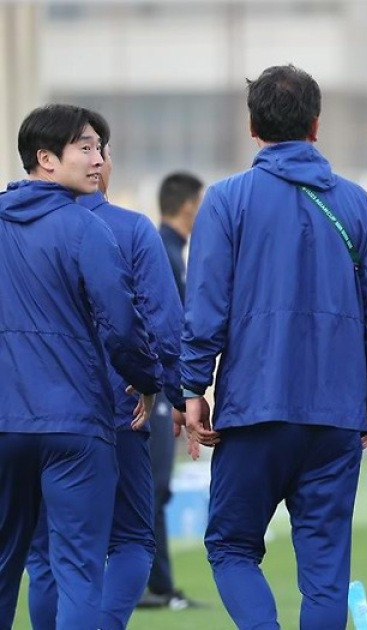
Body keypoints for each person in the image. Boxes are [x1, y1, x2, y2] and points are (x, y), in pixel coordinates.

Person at [178, 64, 367, 629]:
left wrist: (192, 388)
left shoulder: (226, 201)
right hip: (333, 415)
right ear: (316, 124)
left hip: (254, 407)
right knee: (325, 571)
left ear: (253, 126)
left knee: (231, 547)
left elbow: (205, 308)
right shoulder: (354, 203)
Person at [0, 104, 162, 629]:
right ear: (45, 158)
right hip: (76, 424)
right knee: (79, 569)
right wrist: (145, 380)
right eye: (87, 148)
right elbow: (122, 322)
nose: (99, 160)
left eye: (99, 149)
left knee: (10, 566)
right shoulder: (86, 229)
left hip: (5, 423)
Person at [24, 141, 185, 630]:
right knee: (133, 542)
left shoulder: (17, 230)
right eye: (92, 149)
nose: (98, 160)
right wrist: (177, 391)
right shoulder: (130, 229)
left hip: (26, 416)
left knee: (44, 556)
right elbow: (163, 322)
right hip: (117, 412)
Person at [140, 170, 205, 611]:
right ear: (188, 206)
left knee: (156, 487)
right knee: (152, 485)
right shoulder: (161, 251)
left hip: (162, 387)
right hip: (157, 387)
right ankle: (152, 586)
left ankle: (158, 584)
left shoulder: (171, 250)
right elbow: (163, 324)